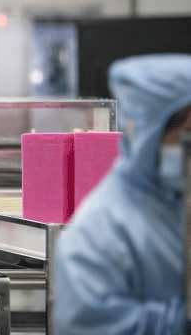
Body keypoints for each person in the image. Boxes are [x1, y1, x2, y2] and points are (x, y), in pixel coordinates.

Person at [52, 54, 191, 334]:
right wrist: (180, 324)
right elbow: (86, 325)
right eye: (188, 134)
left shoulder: (180, 200)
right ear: (150, 133)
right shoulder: (99, 231)